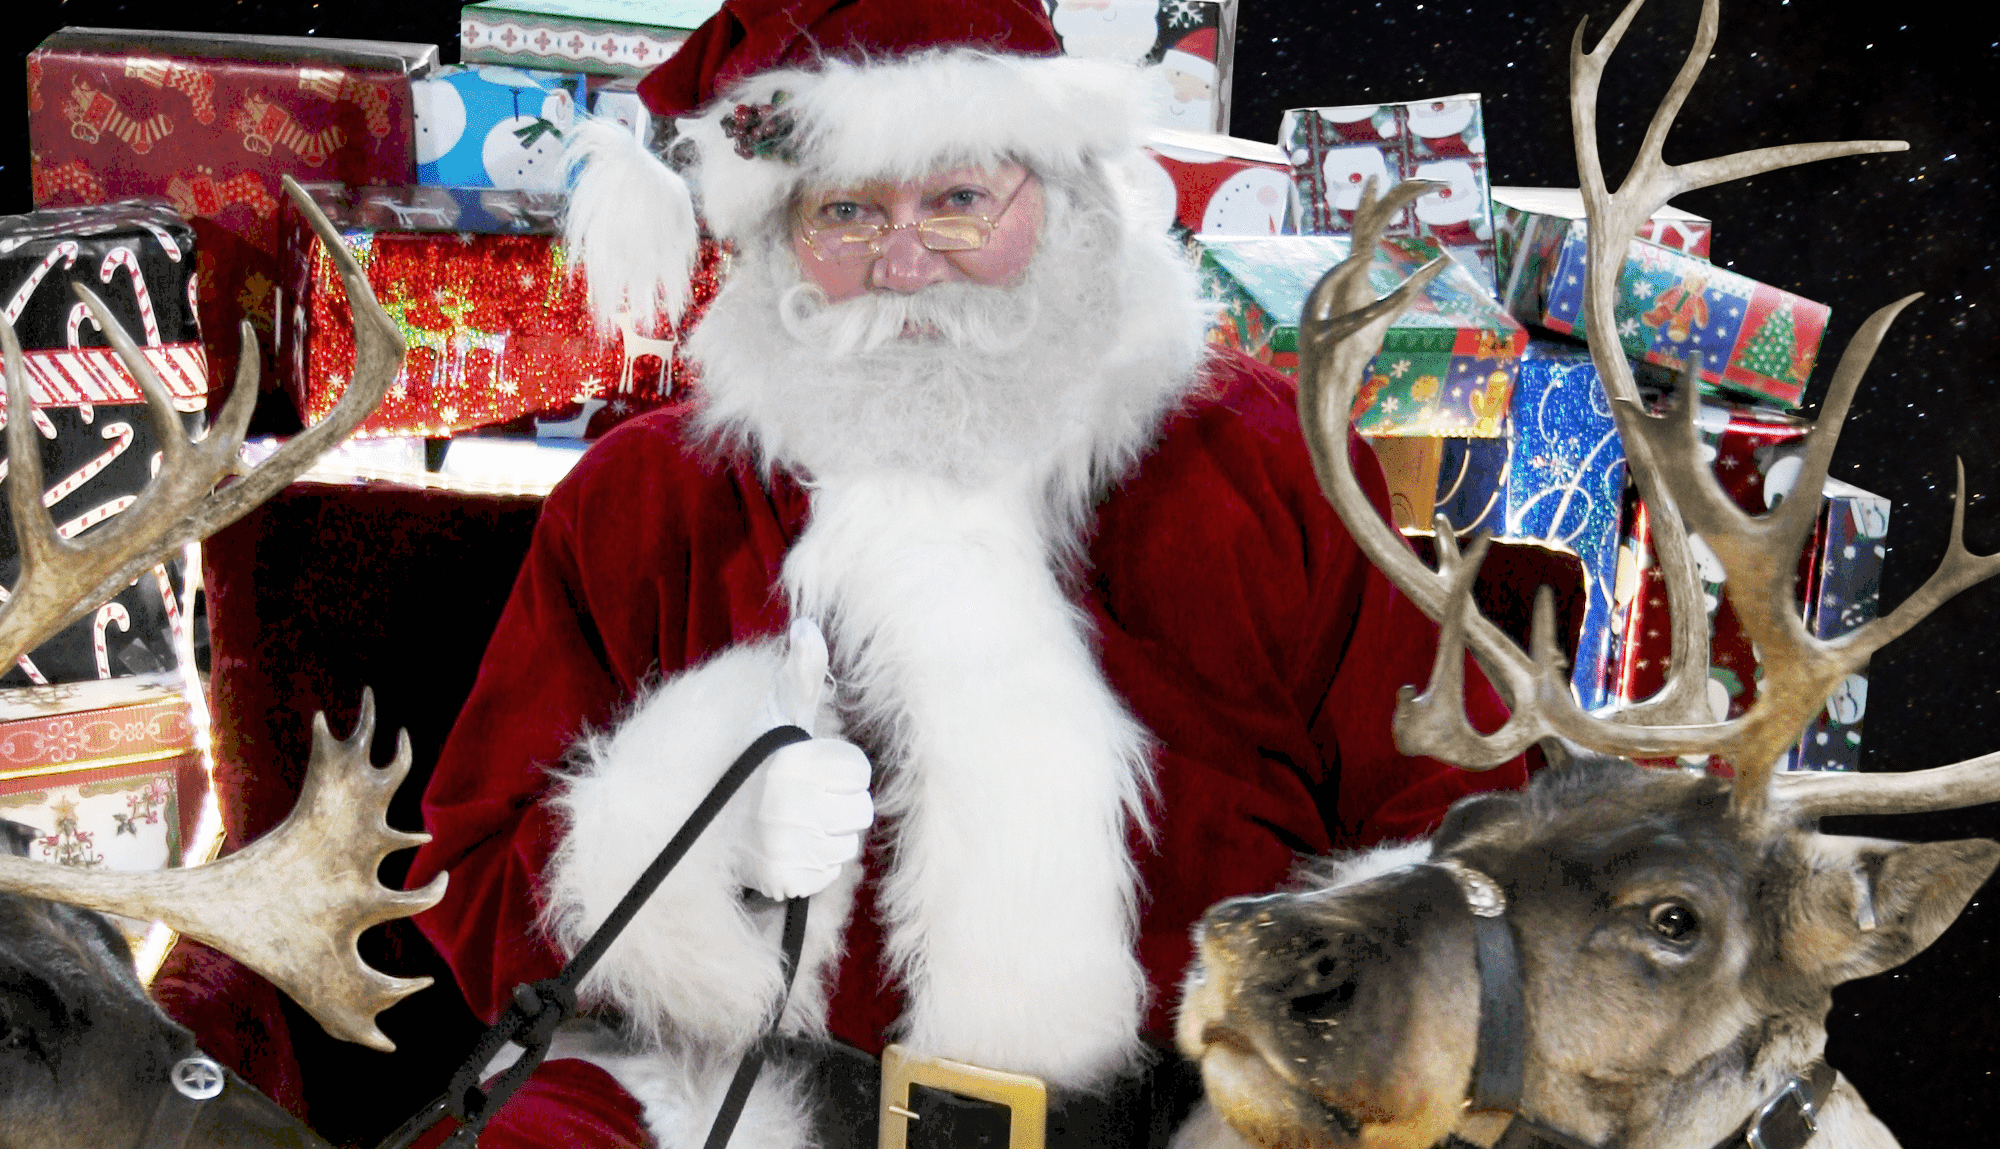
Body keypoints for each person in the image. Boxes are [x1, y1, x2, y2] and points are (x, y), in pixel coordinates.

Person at [404, 2, 1532, 1146]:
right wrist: (696, 845)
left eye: (956, 200)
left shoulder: (1271, 470)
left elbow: (1464, 837)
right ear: (773, 237)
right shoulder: (651, 500)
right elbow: (479, 878)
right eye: (844, 211)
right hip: (741, 1101)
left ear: (1069, 198)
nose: (901, 265)